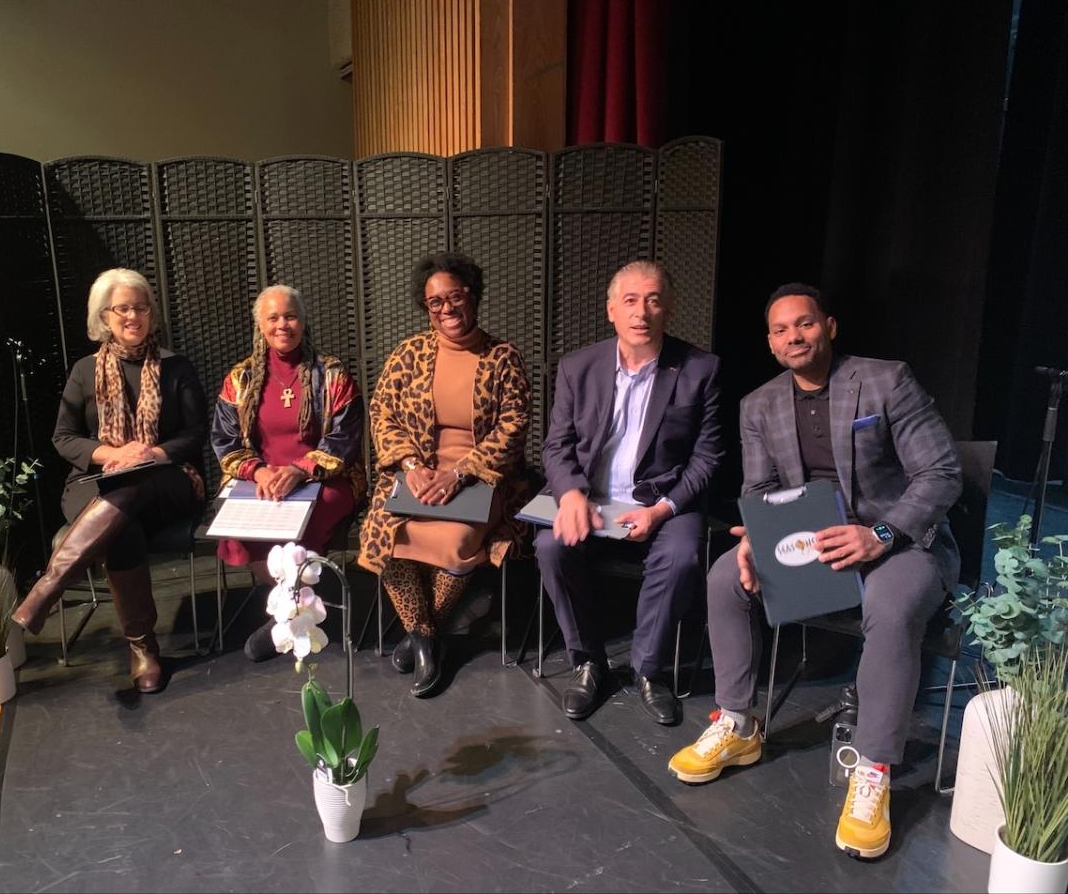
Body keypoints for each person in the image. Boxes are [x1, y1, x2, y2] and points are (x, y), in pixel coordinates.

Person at [667, 282, 962, 861]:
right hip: (811, 539)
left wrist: (879, 535)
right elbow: (761, 490)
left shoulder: (886, 380)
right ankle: (737, 725)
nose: (792, 337)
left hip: (898, 541)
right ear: (771, 342)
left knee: (892, 607)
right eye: (779, 330)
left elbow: (942, 473)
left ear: (829, 326)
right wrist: (756, 535)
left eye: (803, 324)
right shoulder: (760, 404)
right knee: (726, 577)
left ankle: (873, 770)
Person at [536, 259, 722, 726]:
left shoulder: (701, 369)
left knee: (681, 556)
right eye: (631, 301)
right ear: (611, 310)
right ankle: (588, 661)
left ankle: (648, 669)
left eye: (654, 300)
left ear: (669, 308)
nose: (642, 312)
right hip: (592, 497)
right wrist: (573, 495)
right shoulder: (578, 367)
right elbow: (556, 445)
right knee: (549, 546)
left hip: (662, 500)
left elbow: (708, 456)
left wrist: (663, 509)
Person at [12, 268, 207, 694]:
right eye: (123, 308)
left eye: (141, 307)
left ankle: (49, 587)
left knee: (132, 486)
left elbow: (194, 436)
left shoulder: (177, 367)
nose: (133, 316)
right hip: (94, 479)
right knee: (124, 525)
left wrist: (147, 454)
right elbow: (63, 438)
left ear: (151, 313)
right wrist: (113, 455)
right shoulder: (85, 370)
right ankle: (143, 649)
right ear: (105, 315)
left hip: (167, 479)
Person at [358, 252, 530, 697]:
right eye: (436, 302)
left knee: (456, 543)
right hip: (415, 474)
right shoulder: (408, 354)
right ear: (426, 307)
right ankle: (426, 635)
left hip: (480, 478)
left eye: (455, 297)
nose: (447, 309)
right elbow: (382, 415)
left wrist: (459, 473)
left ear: (473, 297)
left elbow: (513, 425)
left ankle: (421, 637)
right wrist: (413, 467)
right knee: (384, 535)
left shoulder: (502, 357)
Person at [211, 285, 366, 660]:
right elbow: (225, 441)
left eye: (291, 316)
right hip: (261, 480)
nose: (283, 325)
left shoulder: (331, 375)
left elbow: (345, 440)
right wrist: (259, 471)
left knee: (311, 519)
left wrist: (299, 470)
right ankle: (301, 605)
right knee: (236, 529)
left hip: (325, 478)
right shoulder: (241, 378)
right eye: (273, 318)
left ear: (304, 320)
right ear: (260, 325)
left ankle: (285, 619)